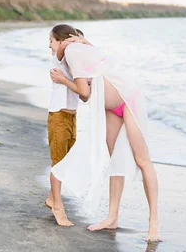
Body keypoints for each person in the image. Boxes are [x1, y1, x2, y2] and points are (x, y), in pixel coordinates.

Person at [50, 33, 161, 242]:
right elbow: (97, 72)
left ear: (62, 40)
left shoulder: (73, 51)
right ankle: (112, 217)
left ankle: (154, 223)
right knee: (116, 160)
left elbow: (84, 93)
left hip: (129, 100)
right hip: (111, 108)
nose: (50, 47)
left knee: (142, 160)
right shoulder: (78, 51)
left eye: (51, 42)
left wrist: (63, 80)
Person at [44, 25, 84, 227]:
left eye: (51, 41)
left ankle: (52, 197)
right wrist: (70, 41)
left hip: (71, 117)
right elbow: (60, 50)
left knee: (66, 161)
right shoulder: (58, 58)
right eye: (52, 41)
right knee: (58, 162)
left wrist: (80, 41)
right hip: (58, 115)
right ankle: (58, 207)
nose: (49, 46)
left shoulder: (73, 63)